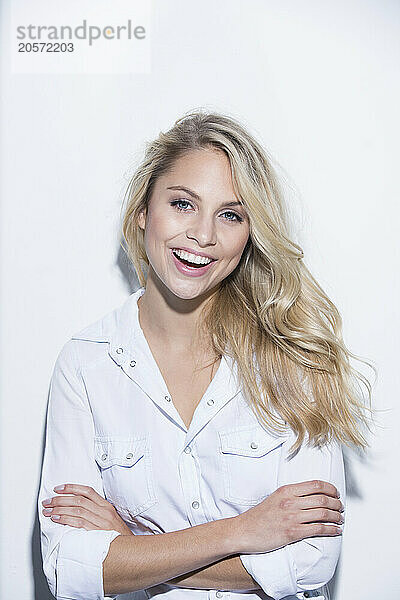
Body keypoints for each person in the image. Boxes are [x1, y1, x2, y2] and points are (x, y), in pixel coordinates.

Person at [38, 110, 375, 600]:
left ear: (249, 235)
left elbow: (308, 562)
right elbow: (69, 570)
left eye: (230, 214)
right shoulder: (86, 365)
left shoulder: (295, 358)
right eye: (182, 204)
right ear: (142, 212)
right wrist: (242, 531)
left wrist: (133, 547)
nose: (203, 235)